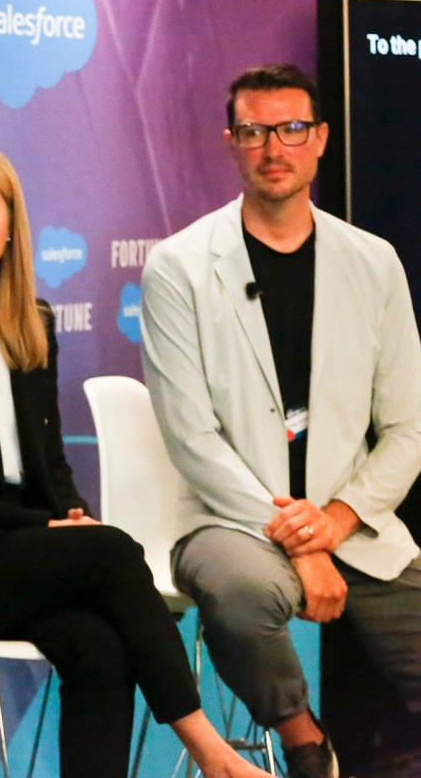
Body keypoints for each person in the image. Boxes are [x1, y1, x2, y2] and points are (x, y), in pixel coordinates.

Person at [0, 138, 274, 778]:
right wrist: (45, 530)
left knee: (98, 646)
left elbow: (48, 466)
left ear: (10, 223)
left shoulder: (31, 321)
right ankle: (210, 751)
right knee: (108, 550)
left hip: (12, 554)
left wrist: (67, 512)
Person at [141, 63, 421, 778]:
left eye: (292, 129)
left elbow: (408, 431)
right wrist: (301, 540)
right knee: (238, 596)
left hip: (351, 521)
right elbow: (191, 437)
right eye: (255, 131)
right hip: (229, 520)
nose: (274, 147)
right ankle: (305, 742)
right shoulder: (178, 266)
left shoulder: (374, 262)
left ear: (321, 139)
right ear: (231, 142)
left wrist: (332, 522)